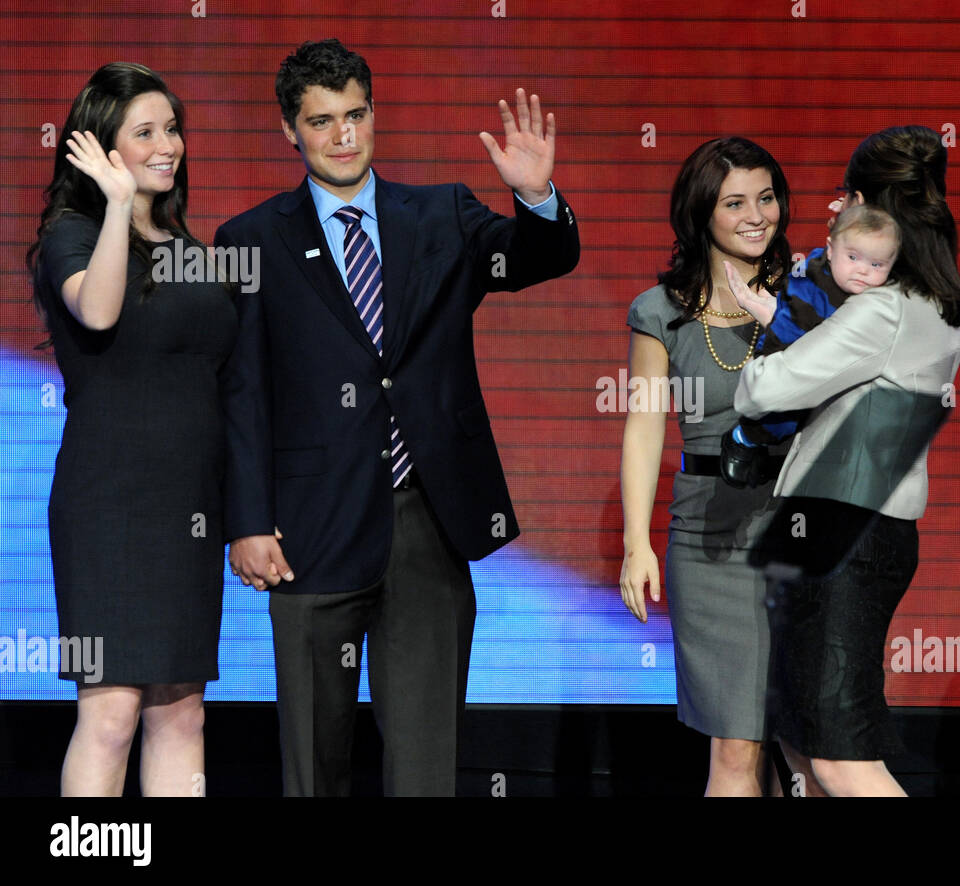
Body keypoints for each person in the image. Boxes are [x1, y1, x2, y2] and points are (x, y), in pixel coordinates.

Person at [219, 39, 580, 796]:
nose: (344, 136)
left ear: (374, 114)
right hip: (308, 529)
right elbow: (244, 393)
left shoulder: (442, 213)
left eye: (356, 115)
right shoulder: (250, 239)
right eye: (322, 122)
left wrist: (537, 199)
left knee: (424, 766)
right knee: (311, 766)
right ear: (291, 130)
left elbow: (537, 257)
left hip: (428, 524)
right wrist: (246, 521)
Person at [728, 125, 960, 796]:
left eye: (847, 199)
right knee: (803, 746)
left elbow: (765, 388)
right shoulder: (939, 310)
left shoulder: (882, 313)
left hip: (841, 536)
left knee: (837, 756)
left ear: (865, 202)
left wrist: (768, 341)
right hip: (862, 533)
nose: (835, 208)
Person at [27, 63, 235, 796]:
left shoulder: (196, 253)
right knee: (111, 711)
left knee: (181, 713)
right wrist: (117, 207)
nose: (167, 144)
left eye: (172, 128)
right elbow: (100, 311)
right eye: (144, 131)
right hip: (109, 506)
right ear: (102, 149)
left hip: (189, 510)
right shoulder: (70, 235)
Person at [619, 136, 824, 796]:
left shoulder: (814, 297)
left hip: (805, 532)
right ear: (701, 212)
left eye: (765, 198)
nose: (755, 215)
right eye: (735, 202)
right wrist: (634, 544)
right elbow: (646, 426)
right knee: (735, 748)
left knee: (814, 751)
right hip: (709, 538)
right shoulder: (660, 312)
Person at [721, 202, 901, 486]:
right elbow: (798, 340)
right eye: (853, 257)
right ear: (831, 250)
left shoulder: (881, 299)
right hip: (787, 353)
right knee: (783, 416)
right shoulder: (812, 280)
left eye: (876, 264)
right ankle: (744, 438)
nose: (863, 271)